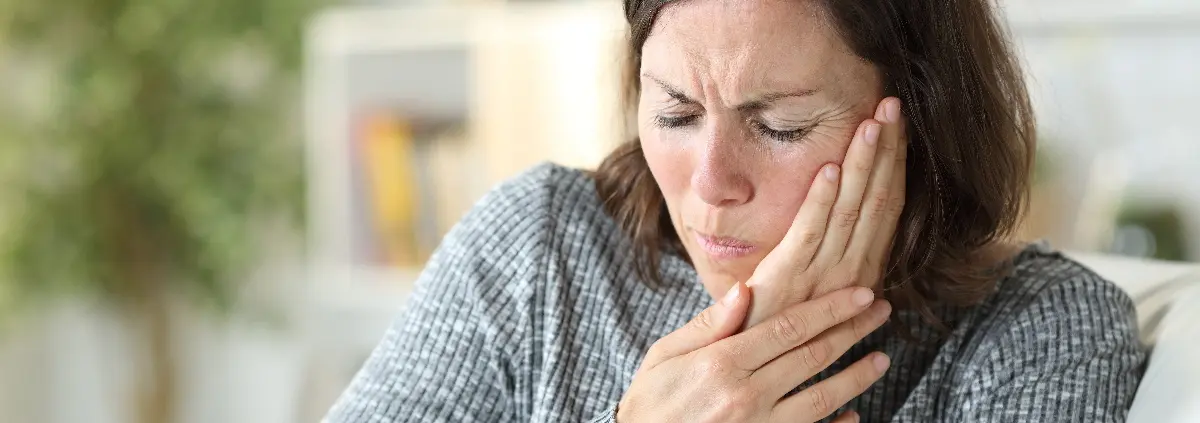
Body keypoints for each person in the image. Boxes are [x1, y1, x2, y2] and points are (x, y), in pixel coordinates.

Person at [325, 0, 1146, 421]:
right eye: (676, 114)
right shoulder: (539, 247)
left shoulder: (1039, 332)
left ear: (920, 123)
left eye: (778, 126)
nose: (712, 180)